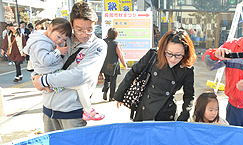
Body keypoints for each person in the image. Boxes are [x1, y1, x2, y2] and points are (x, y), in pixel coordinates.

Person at [31, 2, 107, 132]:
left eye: (89, 29)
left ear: (95, 24)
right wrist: (35, 77)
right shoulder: (62, 38)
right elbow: (40, 58)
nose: (84, 34)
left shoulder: (98, 46)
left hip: (72, 112)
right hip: (48, 108)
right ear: (71, 24)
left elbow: (80, 75)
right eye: (79, 29)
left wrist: (44, 80)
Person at [114, 28, 196, 122]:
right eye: (169, 53)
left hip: (166, 112)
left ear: (185, 52)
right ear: (163, 49)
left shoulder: (187, 69)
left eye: (178, 55)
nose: (173, 58)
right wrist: (119, 94)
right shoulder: (153, 56)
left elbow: (189, 95)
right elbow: (134, 72)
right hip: (146, 106)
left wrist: (184, 116)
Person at [101, 27, 127, 101]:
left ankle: (105, 91)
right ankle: (111, 97)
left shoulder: (103, 42)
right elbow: (120, 55)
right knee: (113, 81)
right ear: (116, 35)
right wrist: (124, 64)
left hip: (104, 64)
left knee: (106, 79)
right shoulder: (116, 43)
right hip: (113, 64)